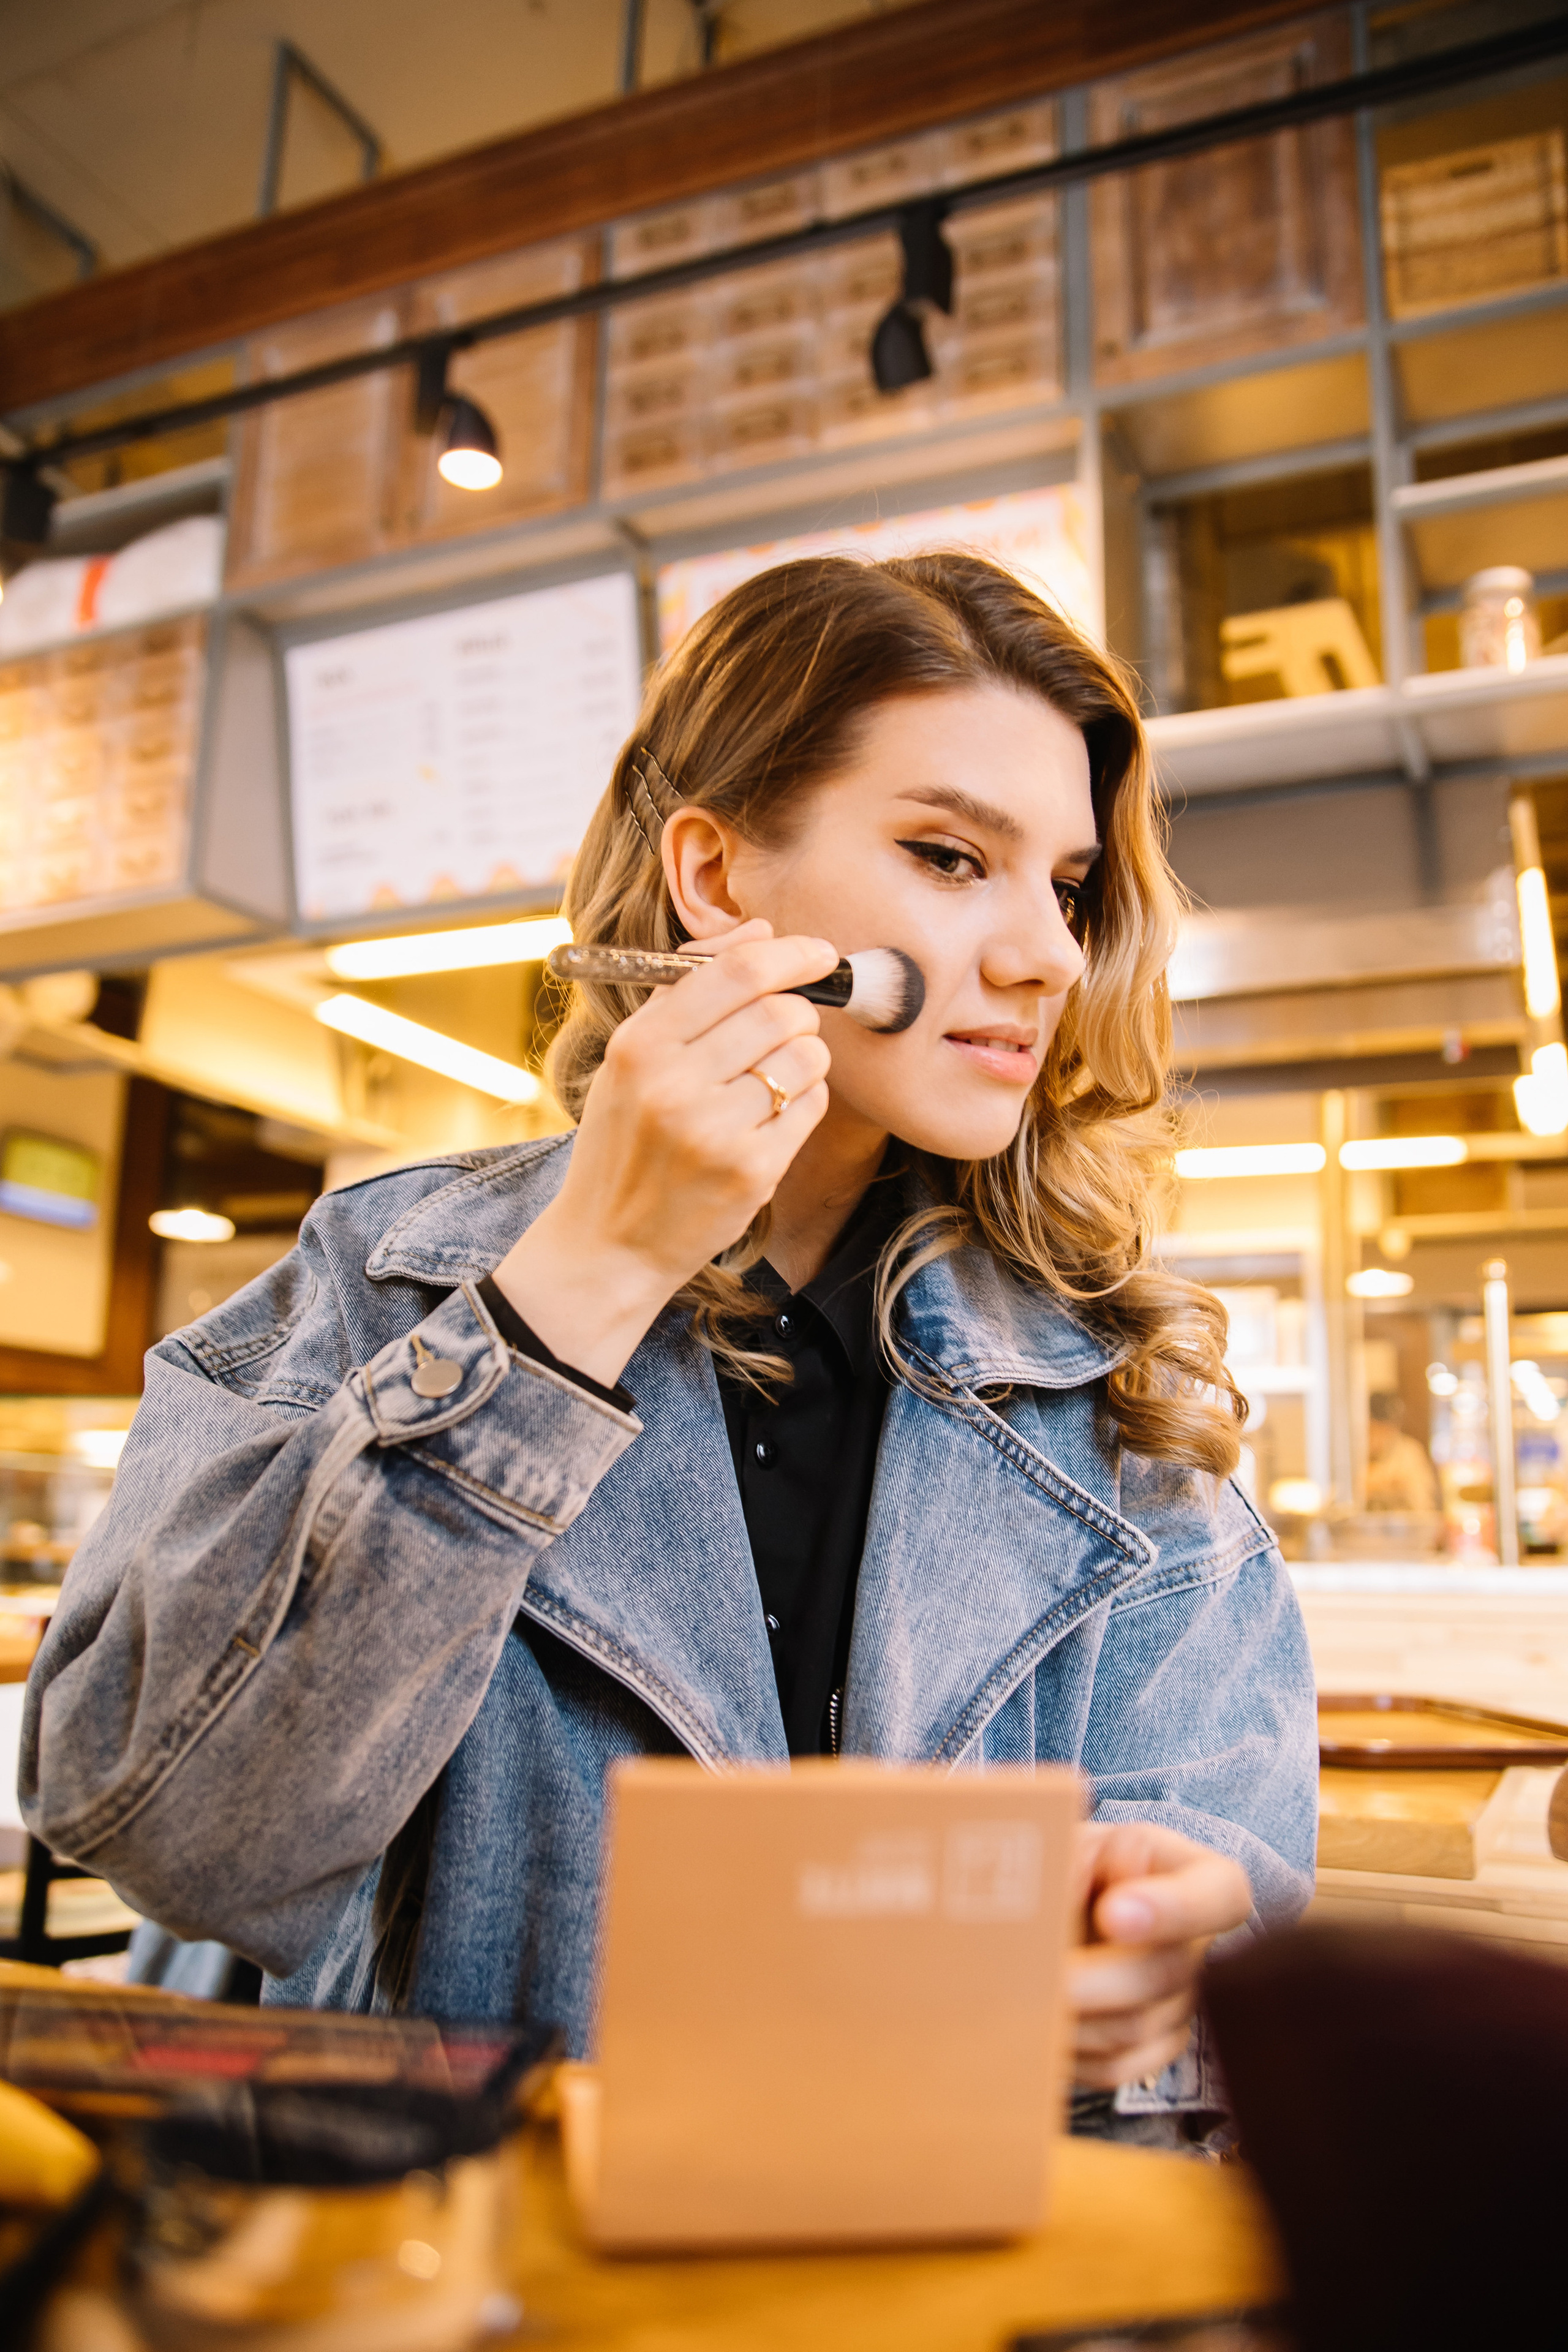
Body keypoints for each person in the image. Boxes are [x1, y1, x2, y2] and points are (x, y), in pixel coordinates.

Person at [22, 554, 1316, 2139]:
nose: (1050, 950)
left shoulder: (1108, 1384)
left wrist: (1166, 1955)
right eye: (945, 855)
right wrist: (576, 1283)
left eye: (1063, 882)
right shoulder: (375, 1280)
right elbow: (170, 1827)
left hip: (955, 2269)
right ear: (716, 879)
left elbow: (1222, 1881)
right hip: (477, 2267)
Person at [1365, 1392, 1439, 1513]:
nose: (1380, 1437)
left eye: (1386, 1430)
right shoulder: (1354, 1454)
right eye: (1374, 1428)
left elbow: (1423, 1504)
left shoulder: (1409, 1453)